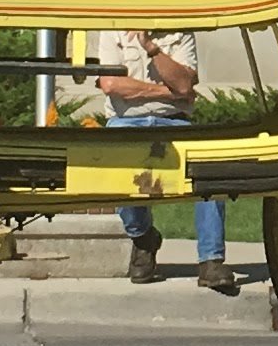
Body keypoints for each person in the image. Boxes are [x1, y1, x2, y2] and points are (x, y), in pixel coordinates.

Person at [92, 27, 235, 292]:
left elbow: (183, 83)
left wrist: (152, 49)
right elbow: (111, 85)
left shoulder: (180, 32)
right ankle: (143, 237)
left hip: (175, 122)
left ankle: (211, 260)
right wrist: (169, 93)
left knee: (208, 167)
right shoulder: (112, 29)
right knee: (114, 161)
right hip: (125, 122)